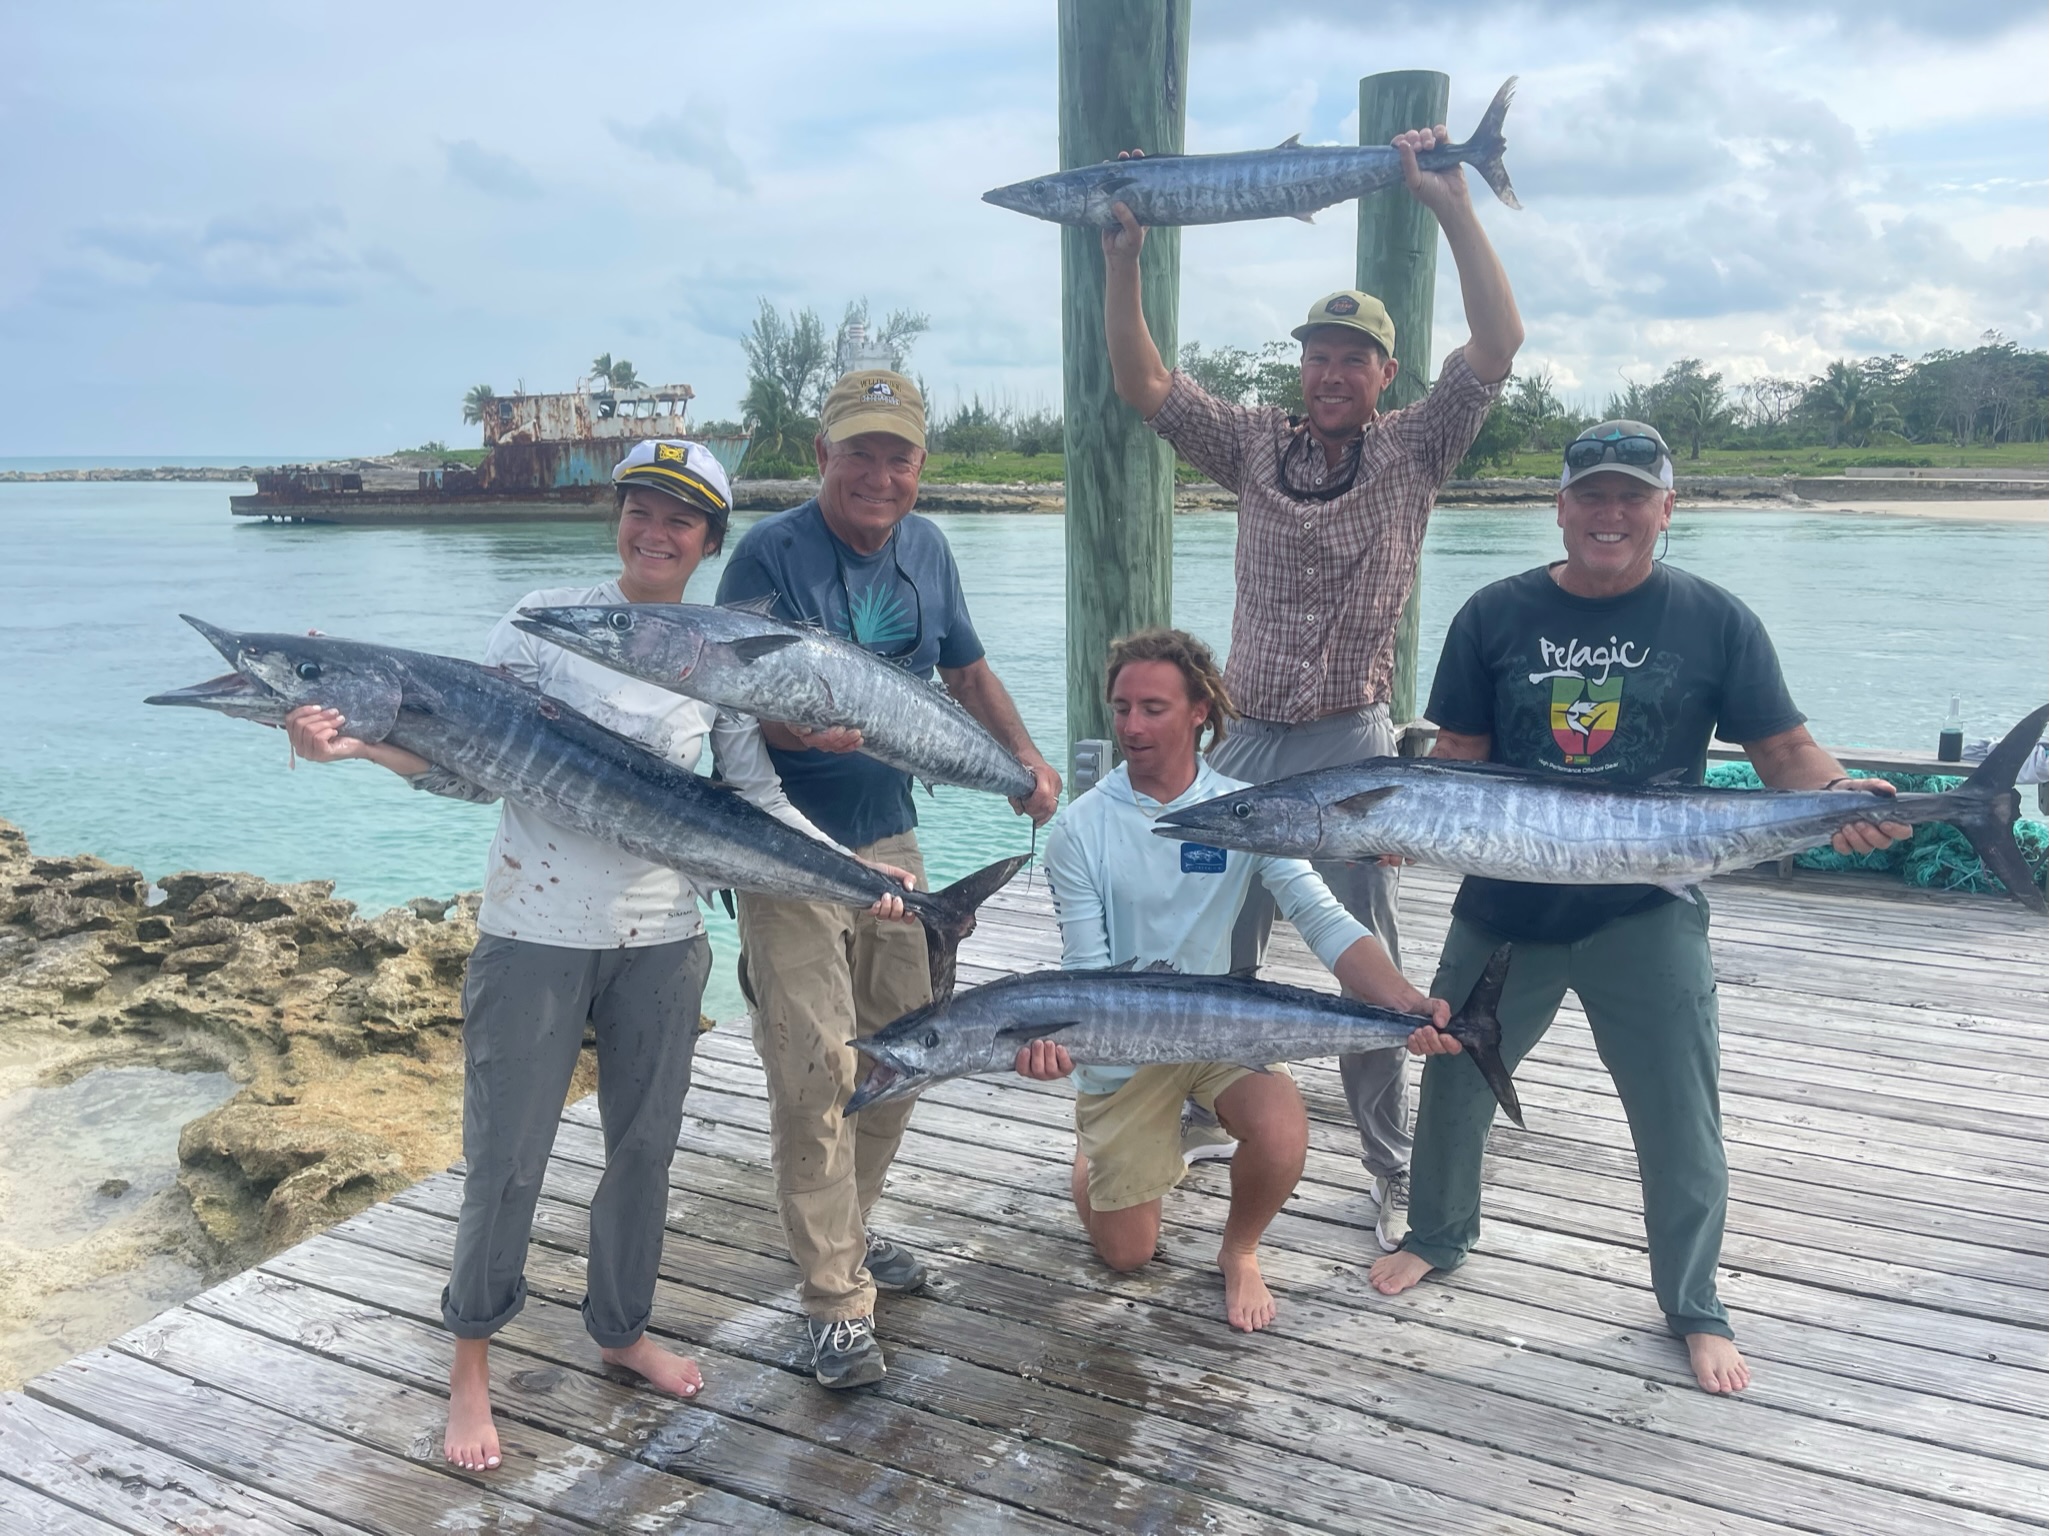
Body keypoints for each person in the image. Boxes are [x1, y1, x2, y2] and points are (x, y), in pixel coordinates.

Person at [282, 439, 913, 1467]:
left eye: (682, 522)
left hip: (662, 944)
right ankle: (471, 1368)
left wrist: (861, 875)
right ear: (615, 518)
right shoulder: (540, 624)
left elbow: (753, 800)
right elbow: (467, 766)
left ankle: (621, 1331)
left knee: (644, 1153)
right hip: (532, 935)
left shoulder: (719, 656)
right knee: (506, 1162)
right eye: (641, 511)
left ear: (710, 544)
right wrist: (351, 746)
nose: (656, 534)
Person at [1367, 421, 1912, 1395]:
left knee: (1679, 1113)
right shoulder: (1495, 614)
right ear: (1561, 504)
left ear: (1667, 507)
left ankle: (1694, 1303)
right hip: (1502, 906)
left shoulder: (1716, 619)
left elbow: (1784, 752)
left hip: (1646, 907)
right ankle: (1438, 1233)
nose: (1609, 515)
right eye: (1591, 495)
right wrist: (1407, 820)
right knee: (1453, 1079)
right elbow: (1460, 759)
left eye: (1631, 497)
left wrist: (1843, 797)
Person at [1099, 123, 1524, 1249]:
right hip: (1238, 739)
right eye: (1318, 354)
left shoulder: (1417, 450)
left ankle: (1386, 1165)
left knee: (1358, 959)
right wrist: (1122, 253)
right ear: (1302, 366)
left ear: (1385, 374)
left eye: (1354, 357)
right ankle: (1198, 1107)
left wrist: (1448, 201)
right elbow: (1144, 382)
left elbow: (1496, 343)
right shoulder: (1251, 443)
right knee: (1207, 933)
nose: (1332, 372)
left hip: (1348, 744)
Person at [714, 369, 1062, 1388]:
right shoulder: (768, 554)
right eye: (858, 451)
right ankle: (831, 1301)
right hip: (783, 848)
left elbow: (967, 671)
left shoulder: (929, 548)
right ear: (822, 457)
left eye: (897, 454)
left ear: (921, 465)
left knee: (905, 1051)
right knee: (814, 1067)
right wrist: (793, 727)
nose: (878, 472)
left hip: (893, 841)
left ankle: (849, 1236)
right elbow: (738, 696)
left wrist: (1026, 763)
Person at [1015, 628, 1451, 1332]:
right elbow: (1087, 971)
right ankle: (1091, 1157)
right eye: (1121, 708)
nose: (1130, 726)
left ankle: (1238, 1251)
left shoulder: (1247, 811)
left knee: (1281, 1132)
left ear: (1199, 713)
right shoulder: (1081, 829)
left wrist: (1404, 1003)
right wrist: (1061, 1044)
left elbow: (1323, 919)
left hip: (1218, 1027)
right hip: (1123, 1044)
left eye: (1152, 708)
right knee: (1127, 1255)